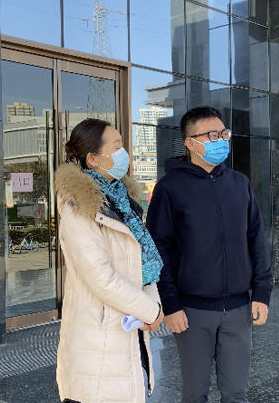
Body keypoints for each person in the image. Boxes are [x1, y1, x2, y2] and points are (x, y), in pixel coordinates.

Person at [146, 106, 273, 403]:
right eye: (212, 135)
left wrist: (262, 292)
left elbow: (256, 239)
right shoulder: (169, 188)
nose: (221, 140)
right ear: (190, 143)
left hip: (239, 309)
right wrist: (170, 304)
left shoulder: (239, 183)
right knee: (194, 394)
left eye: (223, 133)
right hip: (191, 311)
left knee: (237, 393)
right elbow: (158, 249)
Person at [55, 118, 164, 403]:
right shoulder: (79, 207)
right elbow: (100, 277)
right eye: (116, 147)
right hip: (98, 341)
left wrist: (153, 305)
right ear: (93, 158)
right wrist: (151, 310)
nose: (123, 153)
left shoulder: (121, 202)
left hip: (129, 329)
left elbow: (143, 264)